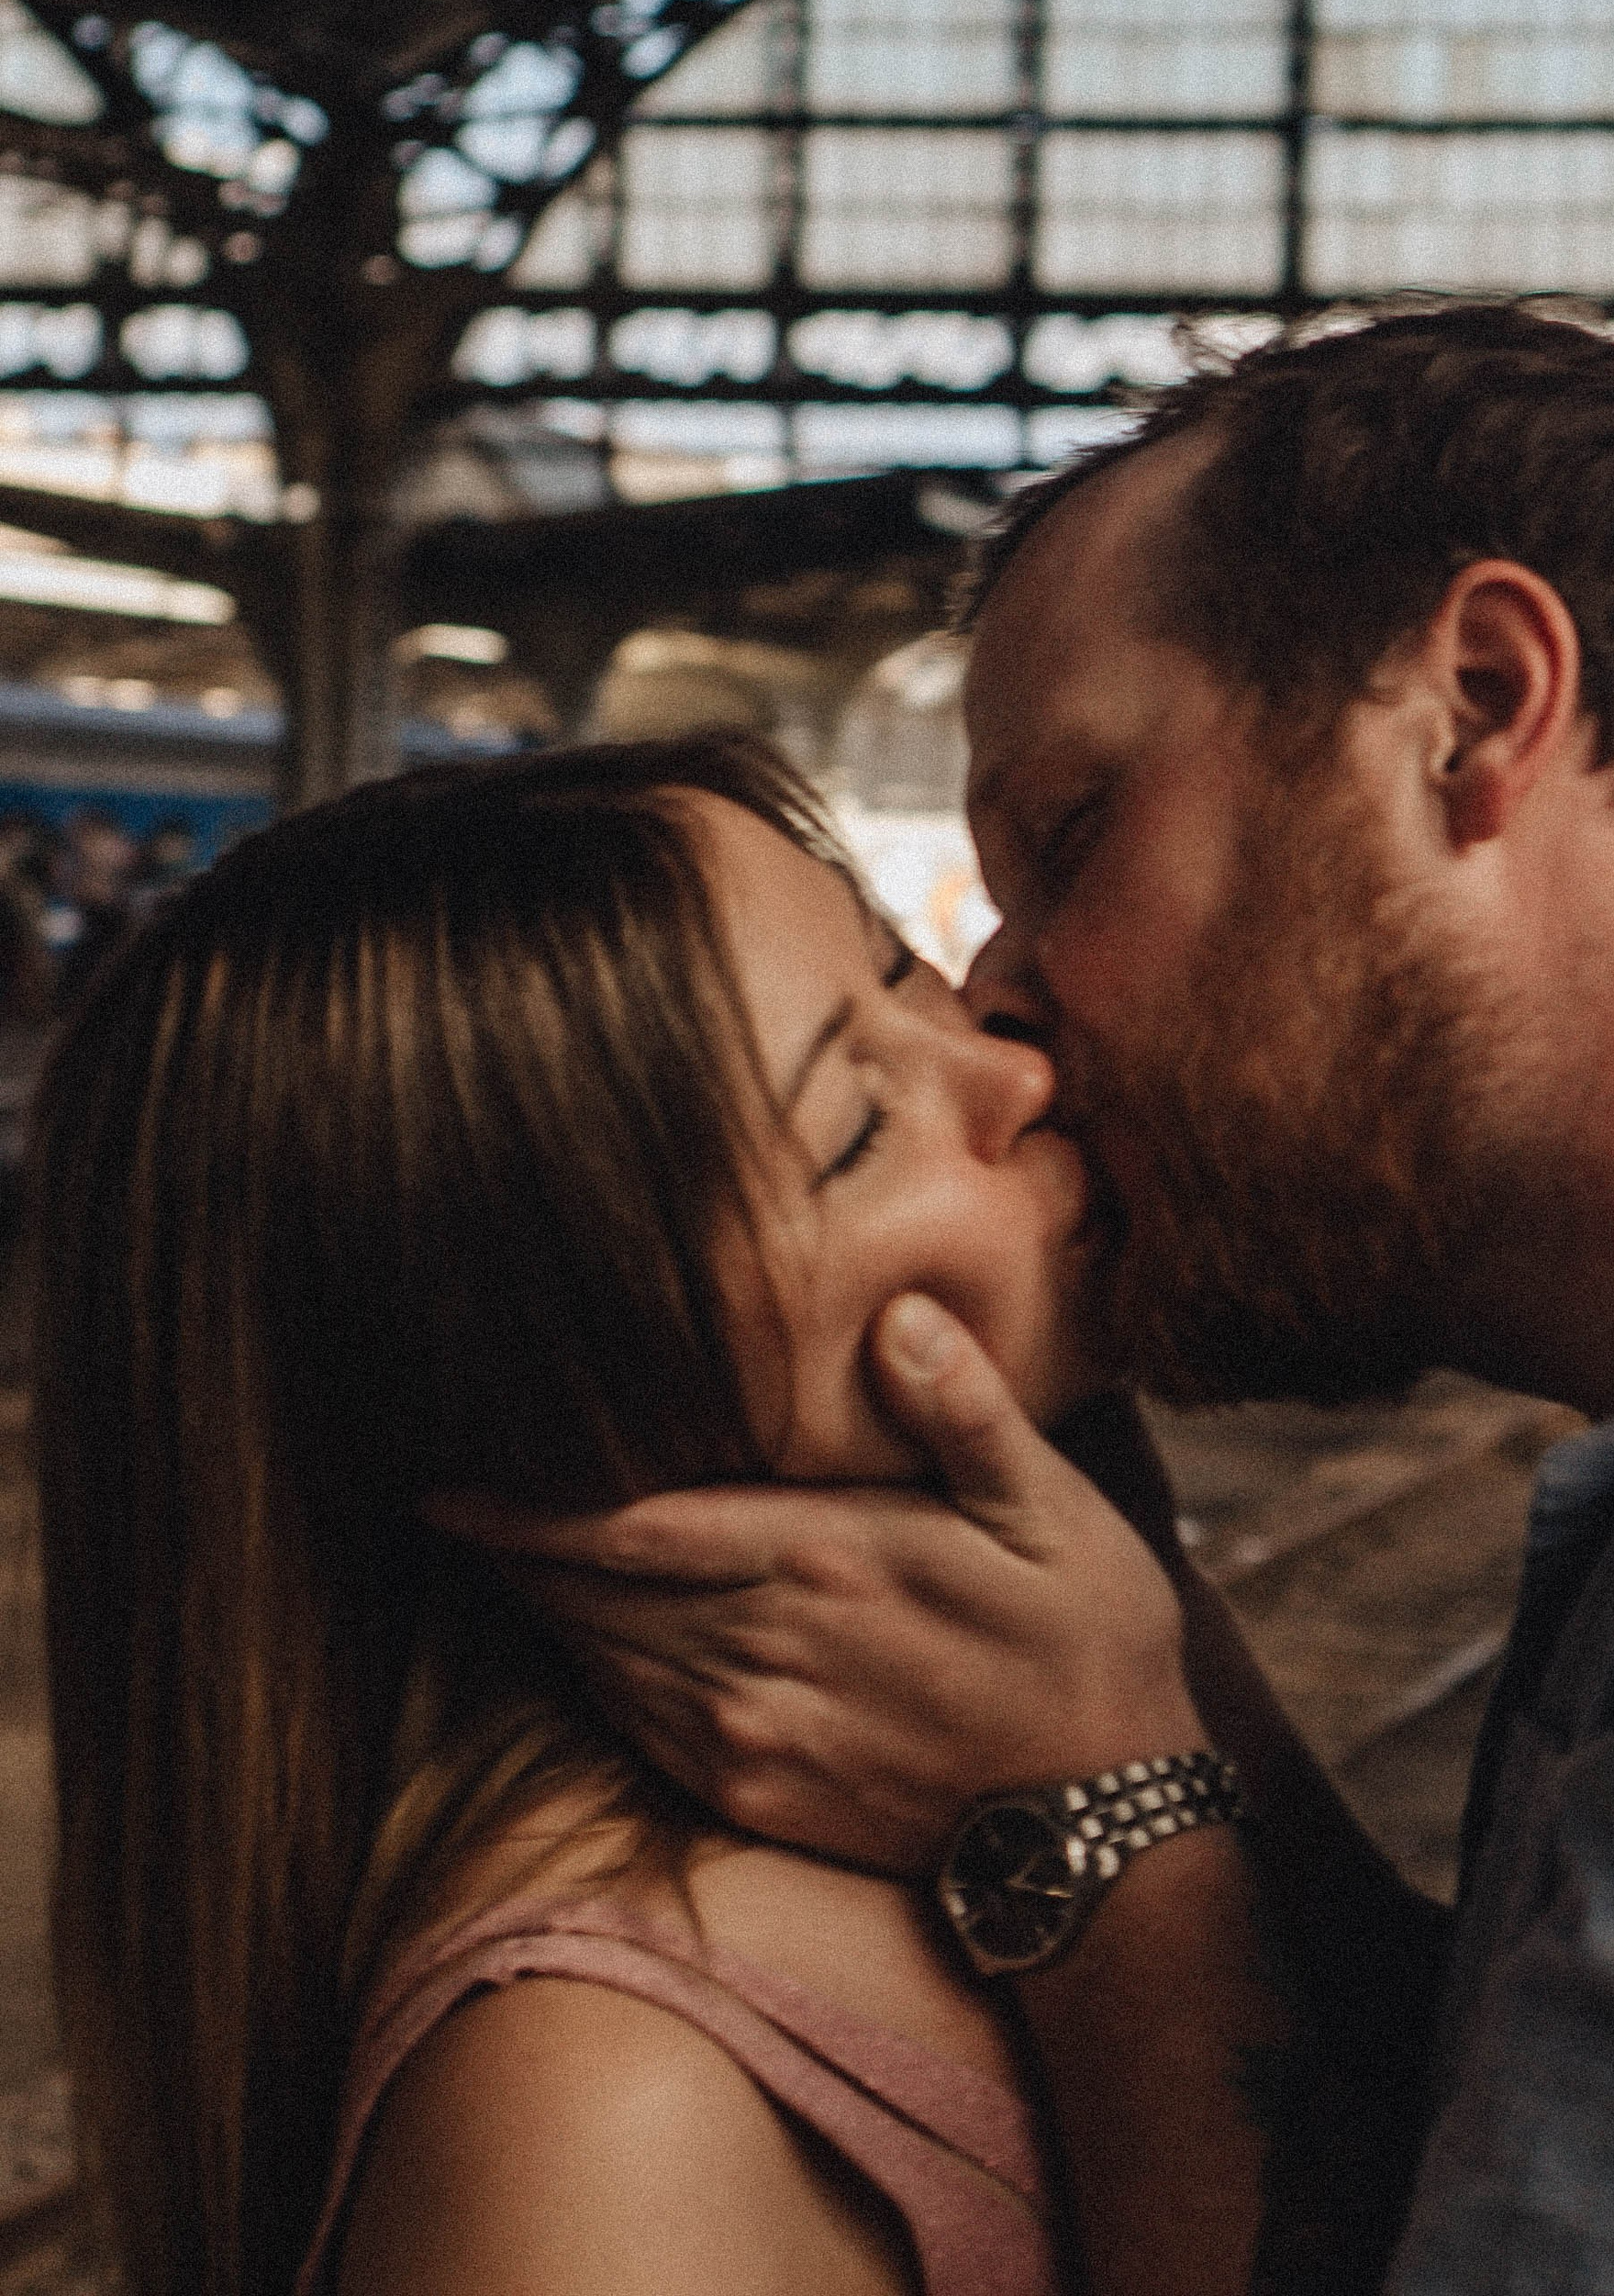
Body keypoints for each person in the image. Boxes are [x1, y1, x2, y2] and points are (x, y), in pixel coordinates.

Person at [488, 307, 1614, 2291]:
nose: (1001, 1003)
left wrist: (1097, 1828)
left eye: (1068, 836)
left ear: (1470, 706)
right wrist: (1155, 1679)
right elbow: (1529, 2120)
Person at [32, 729, 1287, 2296]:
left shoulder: (1080, 1652)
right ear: (566, 1418)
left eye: (905, 975)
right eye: (853, 1130)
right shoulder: (595, 2124)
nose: (1020, 1068)